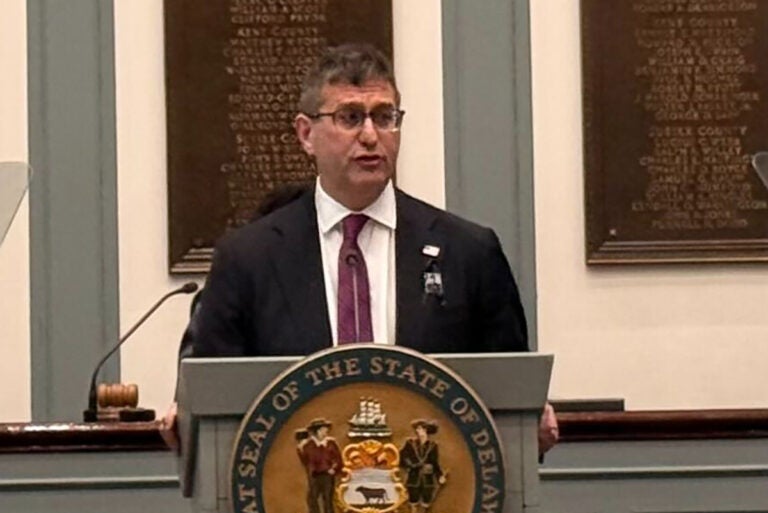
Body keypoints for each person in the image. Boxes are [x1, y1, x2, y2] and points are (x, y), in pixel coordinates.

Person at [170, 43, 557, 453]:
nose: (371, 136)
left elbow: (509, 396)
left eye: (385, 117)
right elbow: (212, 399)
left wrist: (529, 425)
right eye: (350, 118)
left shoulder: (468, 252)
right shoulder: (248, 258)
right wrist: (188, 417)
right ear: (306, 134)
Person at [296, 418, 343, 513]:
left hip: (327, 475)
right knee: (312, 498)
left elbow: (338, 459)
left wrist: (334, 468)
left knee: (327, 499)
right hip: (314, 475)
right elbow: (305, 460)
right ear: (318, 431)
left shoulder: (331, 443)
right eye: (323, 429)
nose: (326, 431)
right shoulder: (308, 445)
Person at [399, 420, 445, 513]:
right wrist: (412, 465)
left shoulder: (433, 445)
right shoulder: (410, 443)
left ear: (425, 430)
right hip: (414, 477)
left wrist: (440, 476)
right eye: (417, 429)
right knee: (413, 501)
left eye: (419, 428)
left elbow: (435, 462)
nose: (417, 431)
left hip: (427, 479)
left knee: (426, 501)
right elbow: (402, 457)